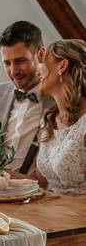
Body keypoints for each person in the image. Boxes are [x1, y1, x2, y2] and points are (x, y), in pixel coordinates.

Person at [0, 21, 53, 174]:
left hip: (38, 193)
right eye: (7, 63)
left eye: (20, 61)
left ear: (40, 54)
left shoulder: (58, 99)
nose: (13, 71)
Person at [36, 39, 86, 195]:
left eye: (43, 62)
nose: (38, 72)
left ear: (62, 66)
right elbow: (41, 183)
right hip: (48, 213)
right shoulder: (48, 118)